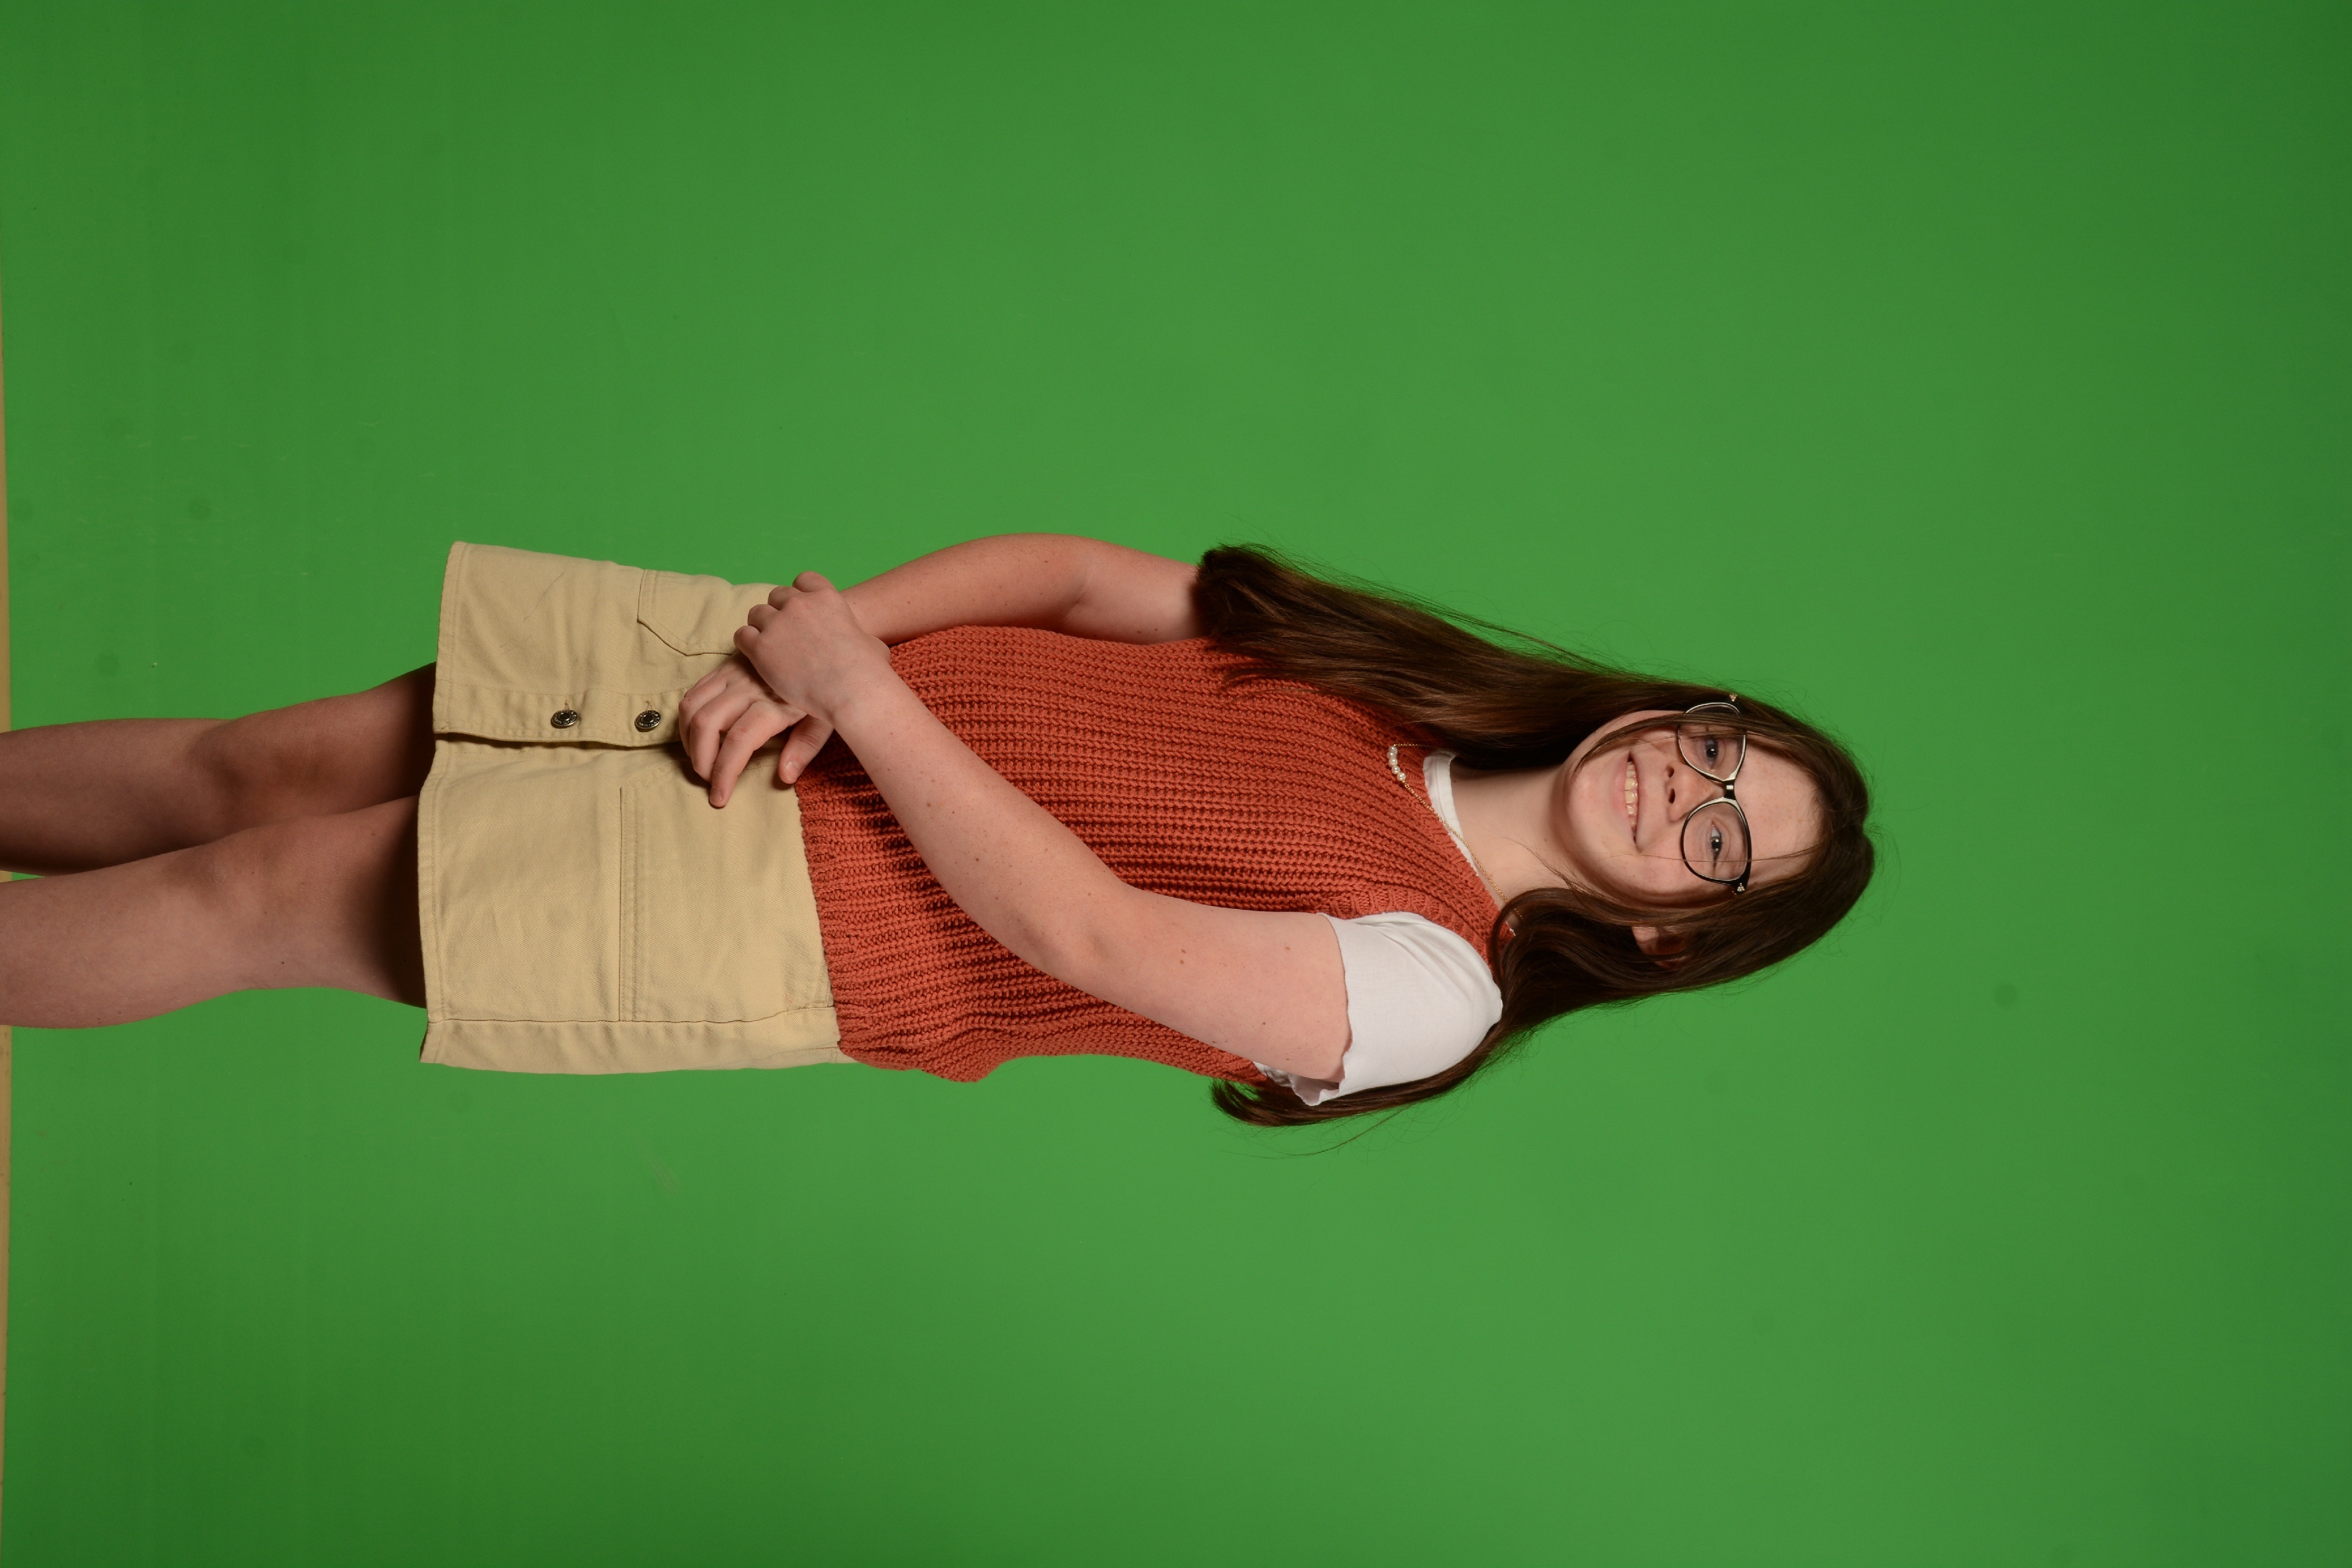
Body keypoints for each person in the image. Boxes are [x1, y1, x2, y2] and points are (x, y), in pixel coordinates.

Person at [0, 534, 1873, 1125]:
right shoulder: (1396, 688)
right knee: (249, 770)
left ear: (1675, 934)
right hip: (752, 693)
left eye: (1722, 843)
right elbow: (1076, 580)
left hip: (784, 893)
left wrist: (866, 701)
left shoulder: (1433, 991)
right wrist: (835, 648)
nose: (1682, 790)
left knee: (256, 890)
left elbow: (1096, 939)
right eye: (1717, 751)